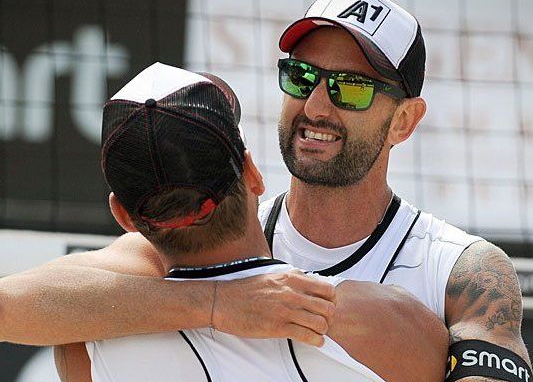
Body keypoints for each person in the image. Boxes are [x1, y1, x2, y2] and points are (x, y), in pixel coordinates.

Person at [0, 0, 528, 382]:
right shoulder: (203, 235)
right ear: (250, 172)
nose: (317, 106)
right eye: (301, 77)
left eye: (352, 88)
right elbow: (20, 303)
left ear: (405, 121)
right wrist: (223, 304)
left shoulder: (461, 269)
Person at [56, 62, 447, 382]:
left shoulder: (83, 340)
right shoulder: (380, 321)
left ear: (124, 216)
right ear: (253, 172)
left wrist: (210, 304)